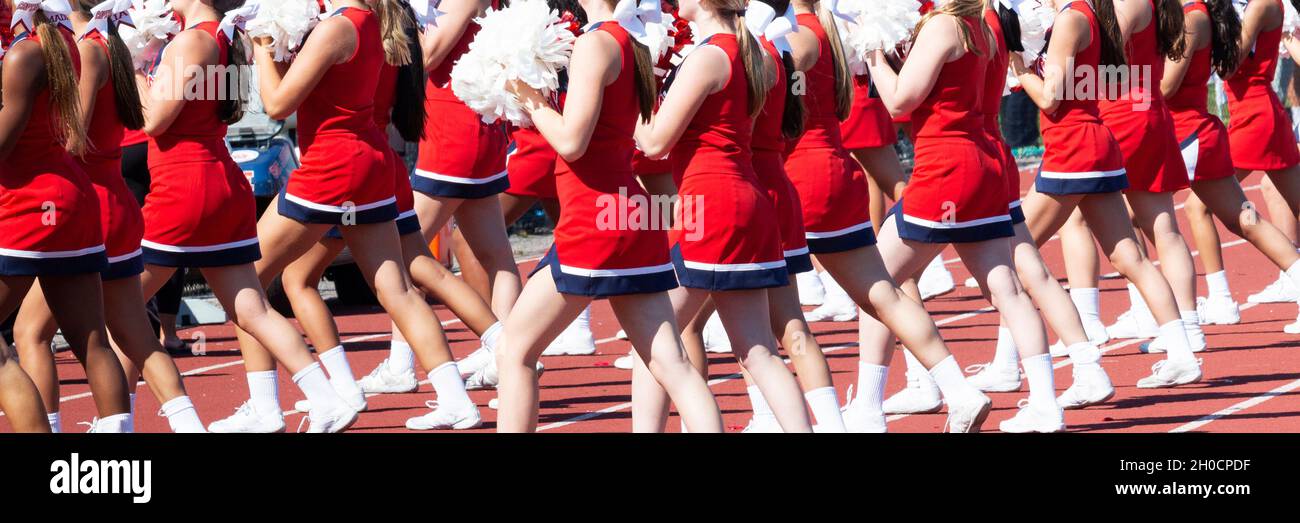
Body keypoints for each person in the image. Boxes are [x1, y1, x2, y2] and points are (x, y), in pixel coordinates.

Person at [496, 0, 723, 433]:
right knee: (671, 363)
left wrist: (527, 94)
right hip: (628, 211)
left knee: (514, 351)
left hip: (594, 217)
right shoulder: (631, 41)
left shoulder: (596, 43)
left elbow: (571, 142)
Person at [138, 0, 358, 433]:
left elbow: (154, 121)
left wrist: (131, 72)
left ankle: (141, 423)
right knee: (251, 308)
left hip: (183, 186)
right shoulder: (223, 36)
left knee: (119, 307)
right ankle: (326, 397)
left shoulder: (192, 41)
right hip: (219, 181)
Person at [13, 0, 205, 433]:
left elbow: (72, 136)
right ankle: (188, 425)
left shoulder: (87, 48)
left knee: (31, 332)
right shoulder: (107, 42)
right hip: (112, 199)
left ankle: (53, 428)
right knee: (133, 332)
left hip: (90, 203)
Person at [1010, 0, 1201, 387]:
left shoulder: (1082, 16)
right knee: (1143, 243)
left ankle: (1082, 347)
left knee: (1016, 252)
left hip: (1097, 128)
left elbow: (1059, 92)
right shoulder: (1101, 12)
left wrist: (1022, 66)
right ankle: (1183, 343)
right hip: (1121, 121)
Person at [0, 0, 128, 433]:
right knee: (91, 340)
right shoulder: (65, 44)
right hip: (69, 197)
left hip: (29, 203)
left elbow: (5, 141)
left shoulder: (24, 53)